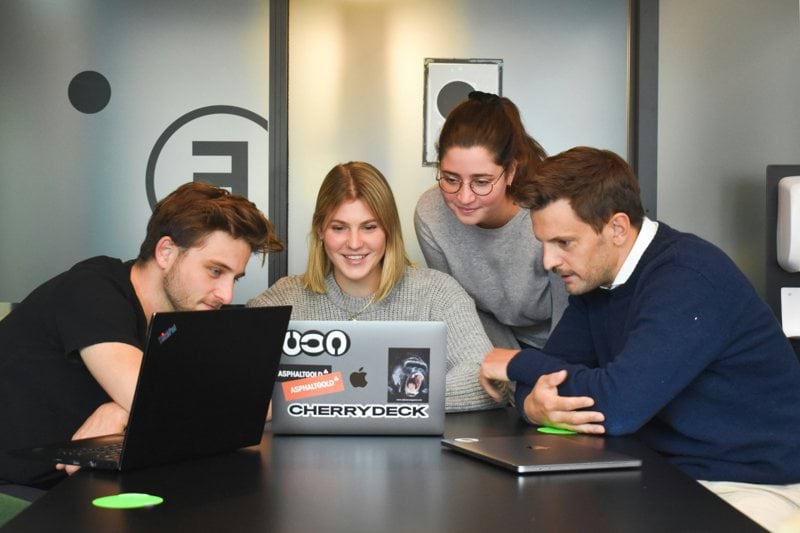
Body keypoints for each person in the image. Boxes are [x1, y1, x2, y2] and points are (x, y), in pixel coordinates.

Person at [479, 146, 800, 531]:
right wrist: (532, 404)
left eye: (564, 243)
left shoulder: (688, 277)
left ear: (616, 227)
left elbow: (617, 405)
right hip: (664, 473)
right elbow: (553, 377)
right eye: (544, 244)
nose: (549, 261)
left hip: (750, 484)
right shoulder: (596, 279)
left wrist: (514, 362)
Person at [0, 182, 283, 489]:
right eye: (215, 271)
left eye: (234, 278)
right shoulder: (89, 291)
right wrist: (137, 407)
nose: (226, 295)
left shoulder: (185, 317)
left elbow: (249, 404)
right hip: (19, 492)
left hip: (90, 481)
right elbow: (181, 410)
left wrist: (123, 410)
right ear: (166, 252)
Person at [248, 161, 498, 412]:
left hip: (409, 452)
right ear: (320, 230)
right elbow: (230, 380)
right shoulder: (283, 299)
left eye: (369, 227)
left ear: (388, 230)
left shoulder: (438, 294)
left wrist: (361, 393)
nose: (354, 243)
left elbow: (487, 380)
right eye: (339, 228)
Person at [415, 91, 568, 350]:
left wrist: (536, 370)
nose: (464, 197)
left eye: (481, 182)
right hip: (490, 346)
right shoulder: (431, 215)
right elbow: (457, 308)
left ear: (510, 172)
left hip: (567, 343)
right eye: (451, 179)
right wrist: (507, 370)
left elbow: (571, 312)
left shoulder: (551, 209)